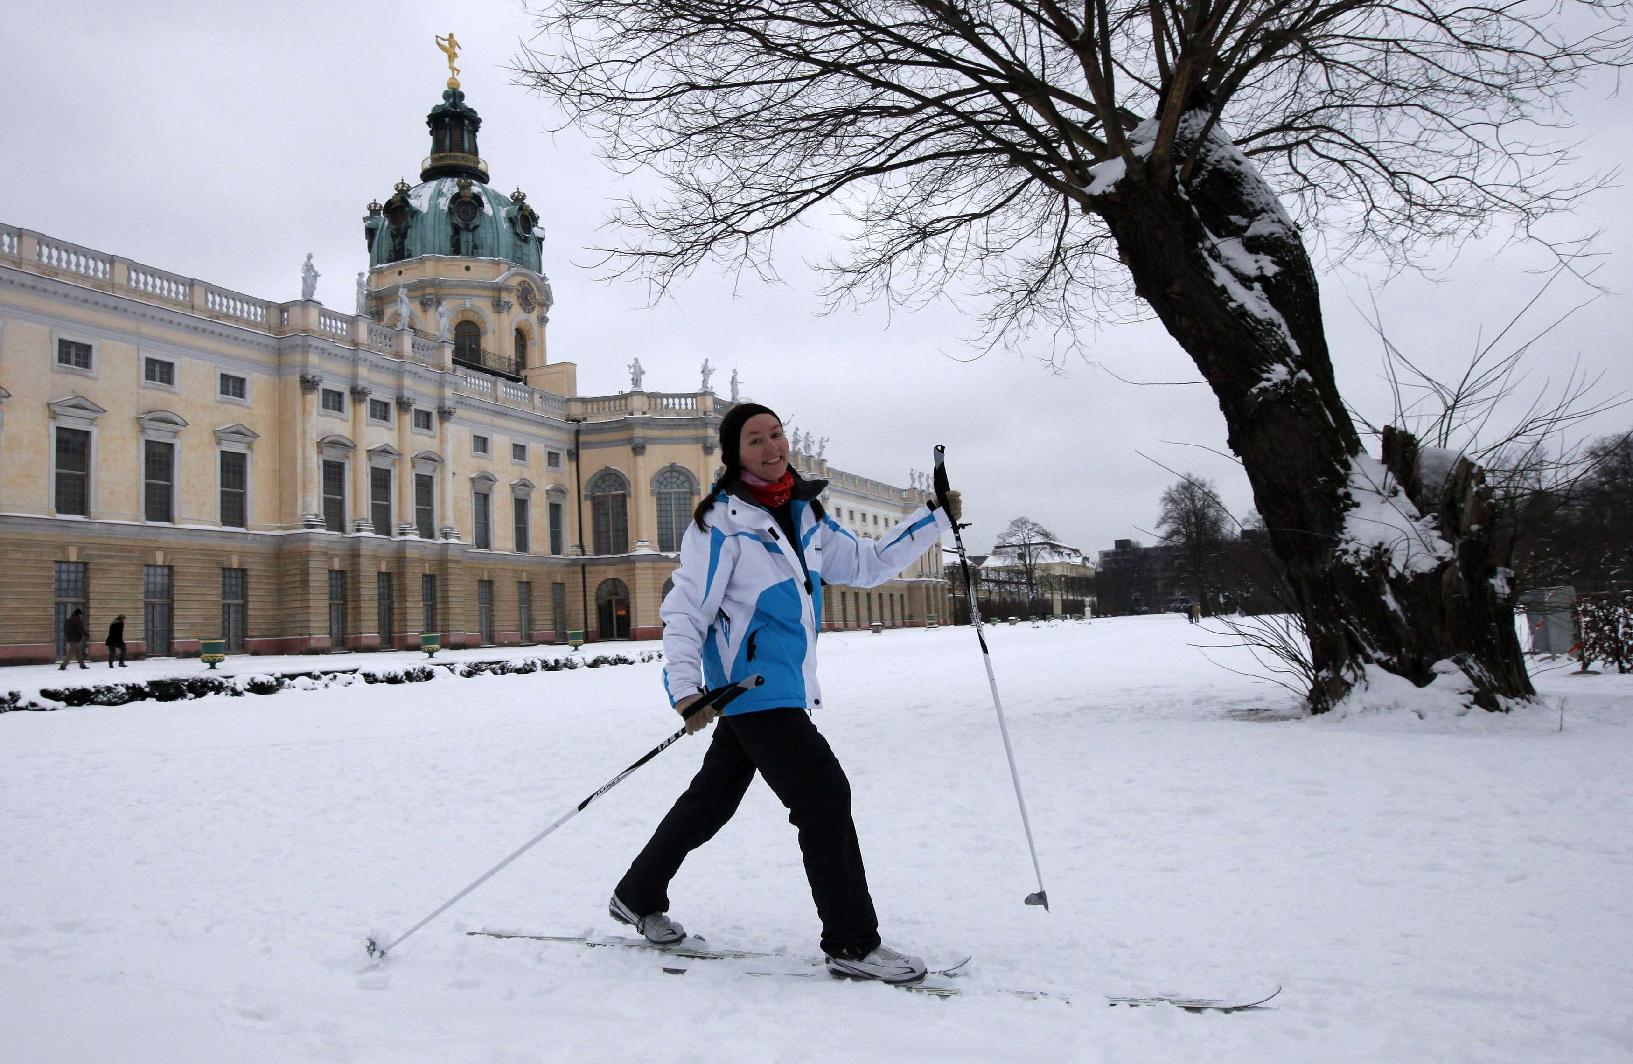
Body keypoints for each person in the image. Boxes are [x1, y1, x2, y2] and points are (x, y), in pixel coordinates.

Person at [609, 403, 962, 984]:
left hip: (777, 687)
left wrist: (933, 520)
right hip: (749, 689)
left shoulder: (805, 511)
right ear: (734, 454)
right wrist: (684, 690)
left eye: (776, 434)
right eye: (755, 440)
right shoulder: (718, 523)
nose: (772, 447)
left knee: (712, 800)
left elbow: (868, 564)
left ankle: (636, 893)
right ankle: (850, 942)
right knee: (824, 796)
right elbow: (685, 611)